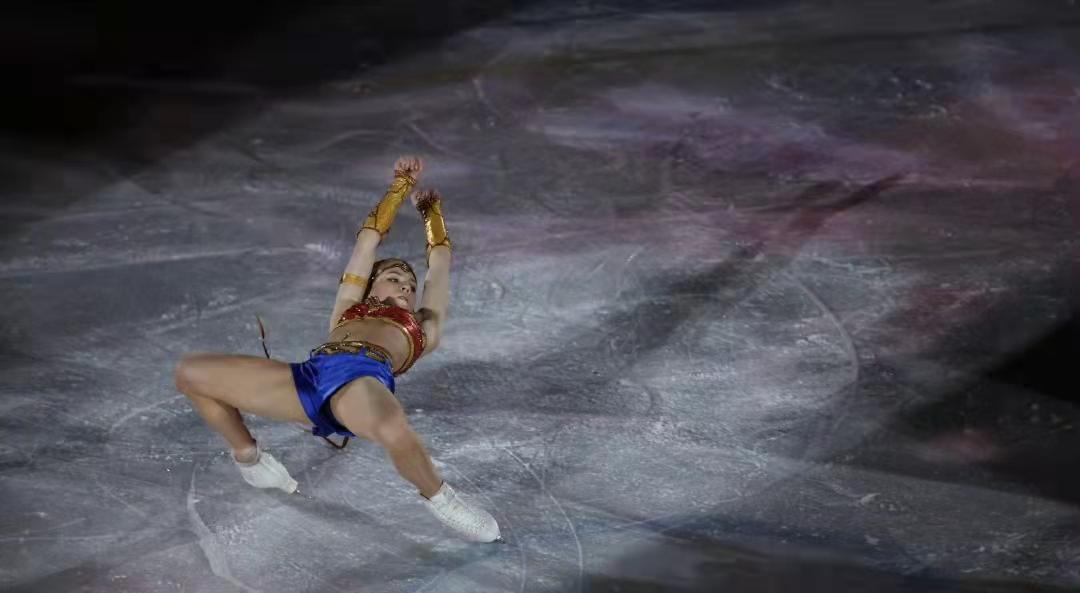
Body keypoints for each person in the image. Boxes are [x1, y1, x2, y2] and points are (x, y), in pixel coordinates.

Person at [174, 156, 502, 543]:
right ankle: (250, 459)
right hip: (309, 377)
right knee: (191, 373)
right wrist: (401, 185)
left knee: (390, 424)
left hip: (362, 380)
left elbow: (440, 264)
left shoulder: (423, 327)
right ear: (370, 287)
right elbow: (368, 240)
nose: (405, 287)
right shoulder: (347, 307)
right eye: (394, 278)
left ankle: (443, 499)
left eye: (410, 286)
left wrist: (432, 214)